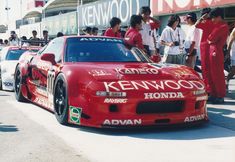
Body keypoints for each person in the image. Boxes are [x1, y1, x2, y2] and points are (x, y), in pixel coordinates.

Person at [207, 8, 229, 104]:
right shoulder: (219, 26)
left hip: (216, 51)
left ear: (219, 17)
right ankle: (214, 94)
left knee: (218, 75)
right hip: (213, 50)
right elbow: (210, 38)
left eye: (214, 18)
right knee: (212, 75)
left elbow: (211, 38)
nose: (212, 20)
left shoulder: (222, 26)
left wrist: (210, 40)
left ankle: (220, 95)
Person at [196, 8, 214, 94]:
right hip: (212, 47)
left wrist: (202, 18)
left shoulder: (206, 22)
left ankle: (208, 89)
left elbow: (196, 24)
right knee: (210, 69)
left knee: (206, 69)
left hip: (205, 47)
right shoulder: (214, 23)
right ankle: (211, 89)